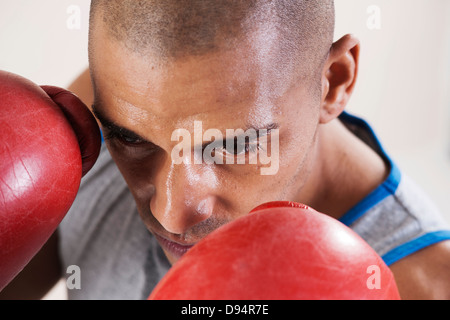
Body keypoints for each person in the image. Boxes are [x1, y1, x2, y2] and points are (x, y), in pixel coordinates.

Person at [1, 0, 450, 300]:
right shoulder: (131, 96)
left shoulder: (419, 288)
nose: (171, 215)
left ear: (333, 81)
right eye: (132, 140)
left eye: (232, 145)